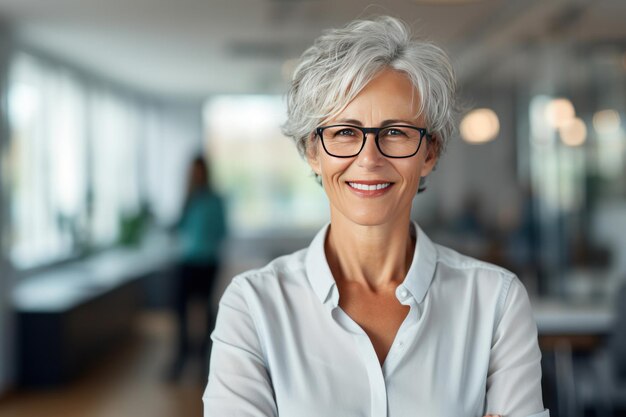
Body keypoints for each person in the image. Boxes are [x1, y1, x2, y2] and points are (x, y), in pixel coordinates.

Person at [204, 16, 548, 417]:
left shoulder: (496, 303)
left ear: (429, 153)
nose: (369, 158)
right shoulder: (254, 306)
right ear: (312, 152)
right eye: (345, 132)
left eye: (396, 131)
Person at [169, 155, 227, 380]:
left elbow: (223, 230)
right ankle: (181, 358)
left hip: (208, 262)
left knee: (205, 311)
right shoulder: (188, 199)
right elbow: (180, 227)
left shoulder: (215, 200)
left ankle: (205, 361)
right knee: (180, 311)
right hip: (187, 261)